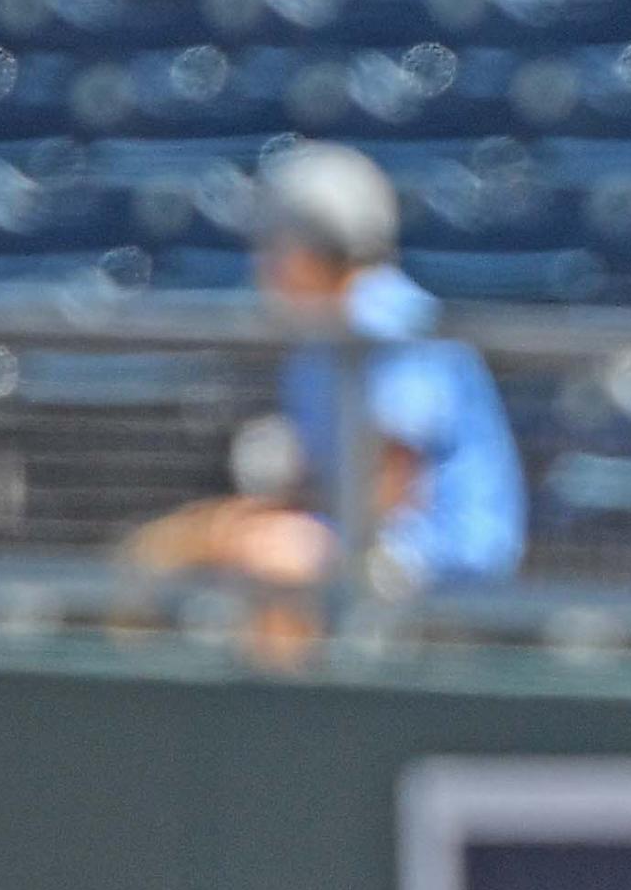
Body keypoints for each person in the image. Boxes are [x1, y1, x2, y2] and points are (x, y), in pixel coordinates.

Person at [122, 142, 523, 602]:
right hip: (372, 540)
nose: (263, 264)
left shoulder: (389, 315)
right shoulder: (317, 335)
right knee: (177, 544)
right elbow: (318, 485)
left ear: (312, 247)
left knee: (264, 558)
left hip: (442, 558)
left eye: (274, 246)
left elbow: (395, 485)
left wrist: (282, 535)